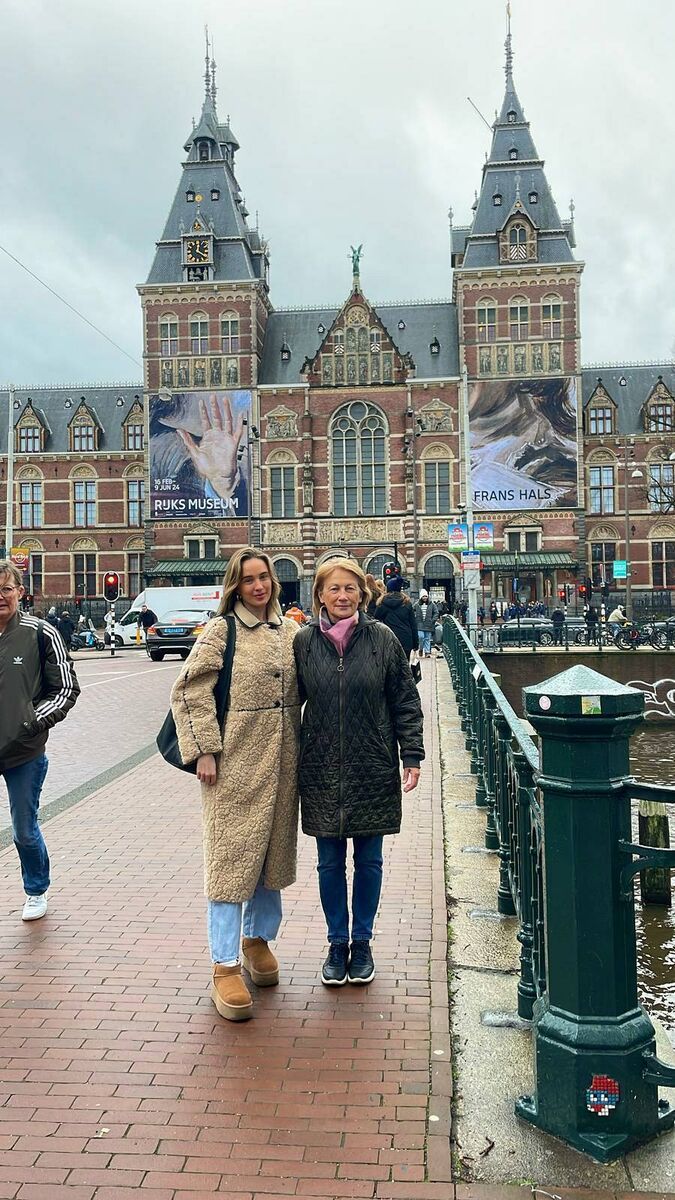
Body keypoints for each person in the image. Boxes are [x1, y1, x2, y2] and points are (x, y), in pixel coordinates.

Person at [170, 548, 301, 1022]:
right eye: (248, 580)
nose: (258, 586)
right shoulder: (221, 631)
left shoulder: (290, 631)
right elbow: (189, 688)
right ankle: (224, 964)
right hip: (233, 765)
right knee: (230, 862)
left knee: (270, 857)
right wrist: (204, 748)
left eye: (263, 577)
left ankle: (256, 939)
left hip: (283, 764)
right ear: (235, 586)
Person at [294, 559, 424, 987]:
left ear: (362, 593)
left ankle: (362, 942)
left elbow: (405, 699)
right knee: (329, 864)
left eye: (350, 588)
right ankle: (336, 943)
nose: (343, 596)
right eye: (334, 589)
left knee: (369, 861)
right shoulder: (303, 643)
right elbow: (284, 703)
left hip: (372, 762)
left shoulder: (382, 639)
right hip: (321, 765)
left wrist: (412, 755)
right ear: (320, 595)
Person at [0, 560, 80, 920]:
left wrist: (31, 721)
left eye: (5, 588)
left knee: (24, 829)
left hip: (23, 752)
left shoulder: (40, 632)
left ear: (20, 591)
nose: (0, 596)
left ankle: (36, 890)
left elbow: (65, 688)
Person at [374, 575, 419, 656]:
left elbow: (376, 619)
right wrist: (416, 643)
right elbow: (413, 624)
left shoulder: (383, 603)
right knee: (404, 666)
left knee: (390, 667)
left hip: (388, 639)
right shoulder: (406, 603)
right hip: (406, 640)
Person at [413, 590, 440, 656]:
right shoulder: (417, 604)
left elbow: (436, 612)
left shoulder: (432, 604)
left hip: (429, 624)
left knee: (427, 638)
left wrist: (433, 620)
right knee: (421, 637)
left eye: (426, 596)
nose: (425, 598)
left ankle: (427, 652)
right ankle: (421, 648)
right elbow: (411, 611)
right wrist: (415, 618)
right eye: (423, 596)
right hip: (419, 624)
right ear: (421, 597)